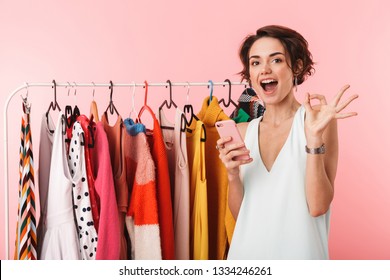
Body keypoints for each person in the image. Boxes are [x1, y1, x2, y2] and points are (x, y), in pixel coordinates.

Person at [216, 25, 358, 259]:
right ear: (249, 74)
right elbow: (244, 216)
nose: (264, 70)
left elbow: (318, 206)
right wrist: (232, 175)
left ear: (298, 67)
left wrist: (313, 139)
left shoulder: (317, 121)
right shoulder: (242, 130)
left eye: (276, 60)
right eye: (255, 63)